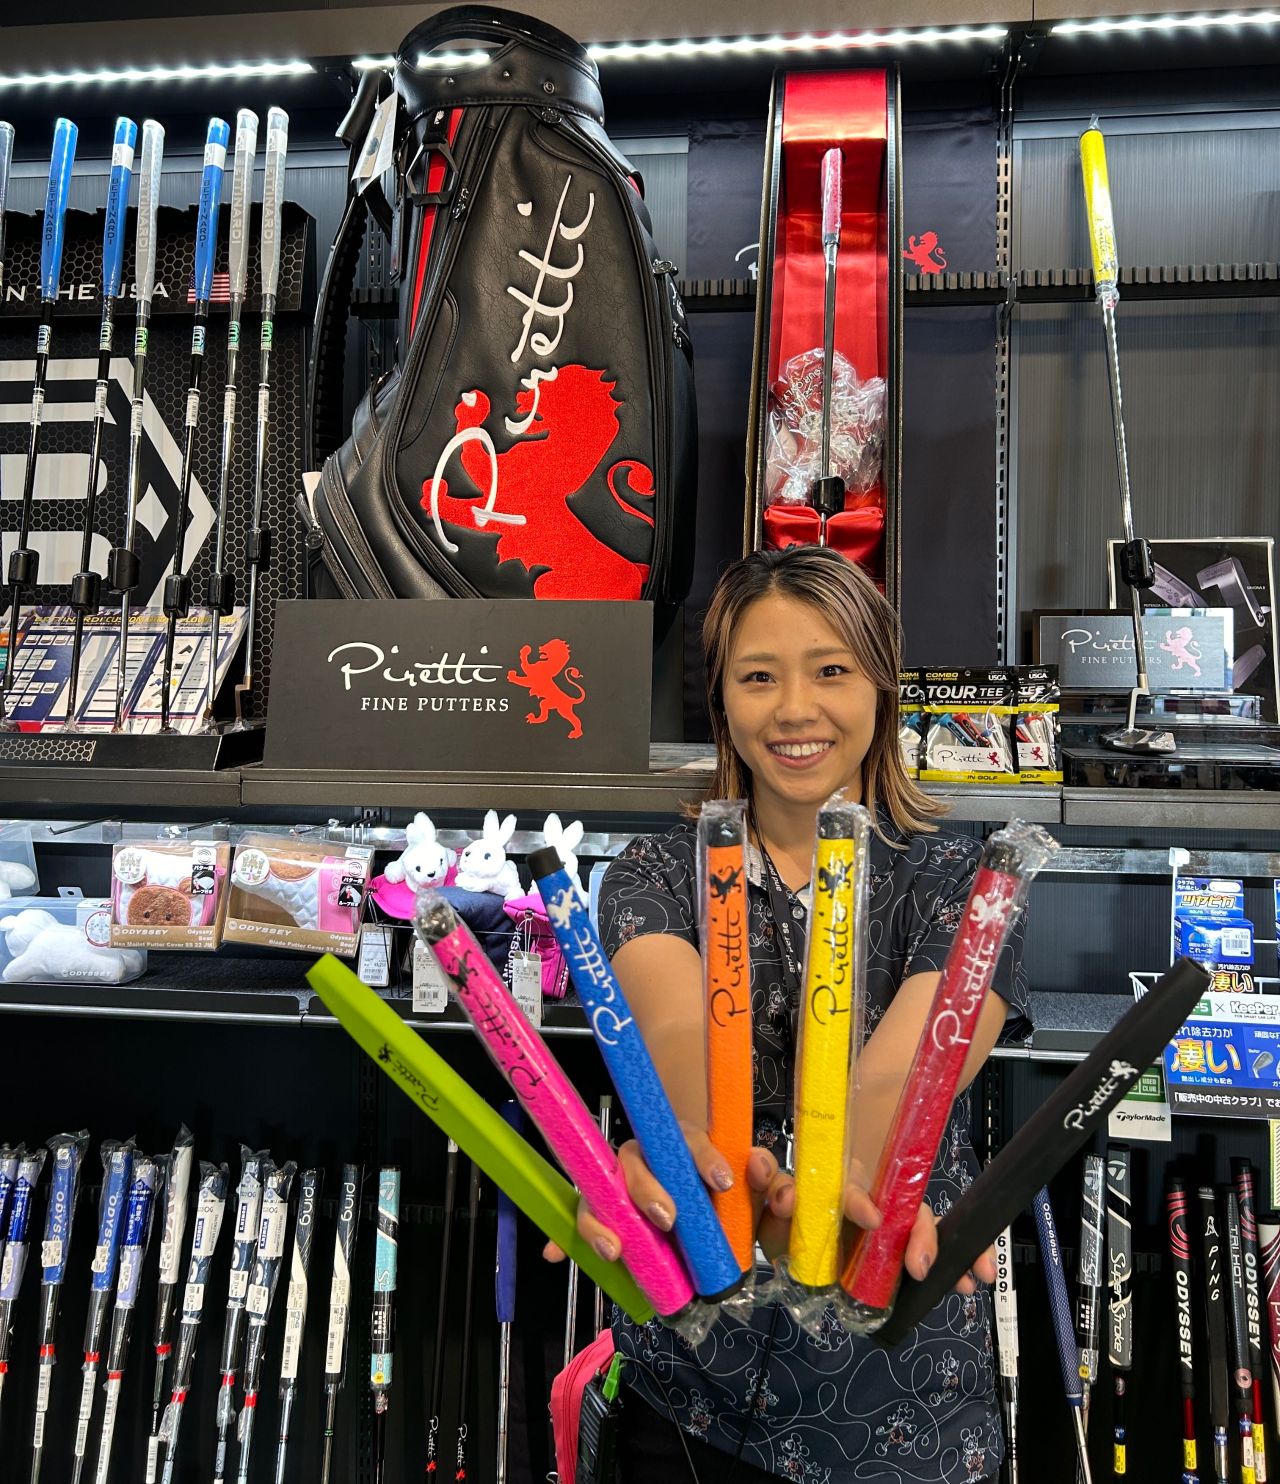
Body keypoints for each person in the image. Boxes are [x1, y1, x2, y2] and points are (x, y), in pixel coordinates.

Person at [547, 545, 1029, 1484]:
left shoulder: (966, 883)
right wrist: (700, 1166)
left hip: (903, 1402)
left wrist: (822, 1197)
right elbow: (679, 1046)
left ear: (881, 686)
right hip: (692, 1398)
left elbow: (900, 1079)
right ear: (721, 699)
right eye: (759, 676)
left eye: (831, 670)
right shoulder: (655, 874)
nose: (796, 709)